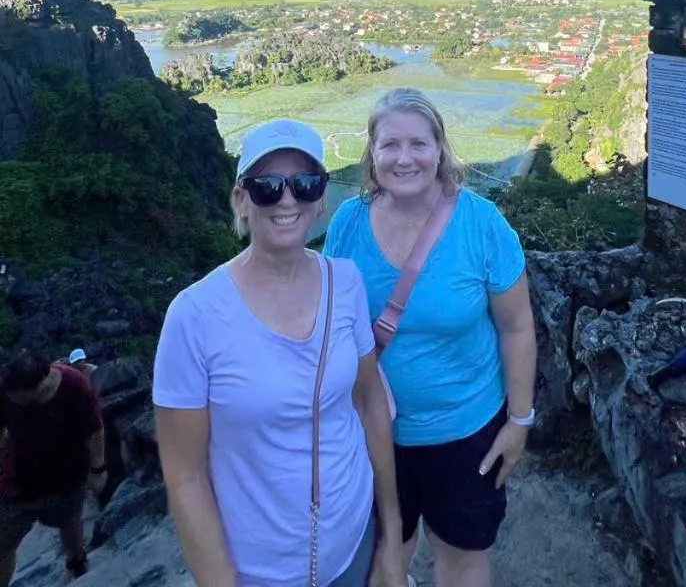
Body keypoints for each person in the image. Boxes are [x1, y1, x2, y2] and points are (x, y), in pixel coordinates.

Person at [153, 118, 407, 587]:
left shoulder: (345, 282)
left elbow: (370, 403)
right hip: (257, 570)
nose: (288, 199)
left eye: (306, 184)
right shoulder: (193, 316)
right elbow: (185, 475)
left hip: (354, 542)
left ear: (320, 200)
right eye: (267, 186)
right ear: (241, 201)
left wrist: (391, 537)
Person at [324, 88, 538, 587]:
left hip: (466, 432)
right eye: (389, 145)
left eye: (418, 144)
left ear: (440, 149)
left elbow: (517, 325)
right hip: (373, 433)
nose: (404, 158)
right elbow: (333, 324)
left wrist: (520, 422)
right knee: (385, 556)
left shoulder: (481, 225)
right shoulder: (348, 223)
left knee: (461, 557)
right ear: (371, 155)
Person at [0, 349, 107, 585]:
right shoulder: (7, 390)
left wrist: (98, 468)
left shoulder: (73, 386)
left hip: (66, 475)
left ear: (35, 389)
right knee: (3, 540)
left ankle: (76, 562)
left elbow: (95, 429)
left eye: (17, 395)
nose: (12, 398)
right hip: (18, 482)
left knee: (69, 521)